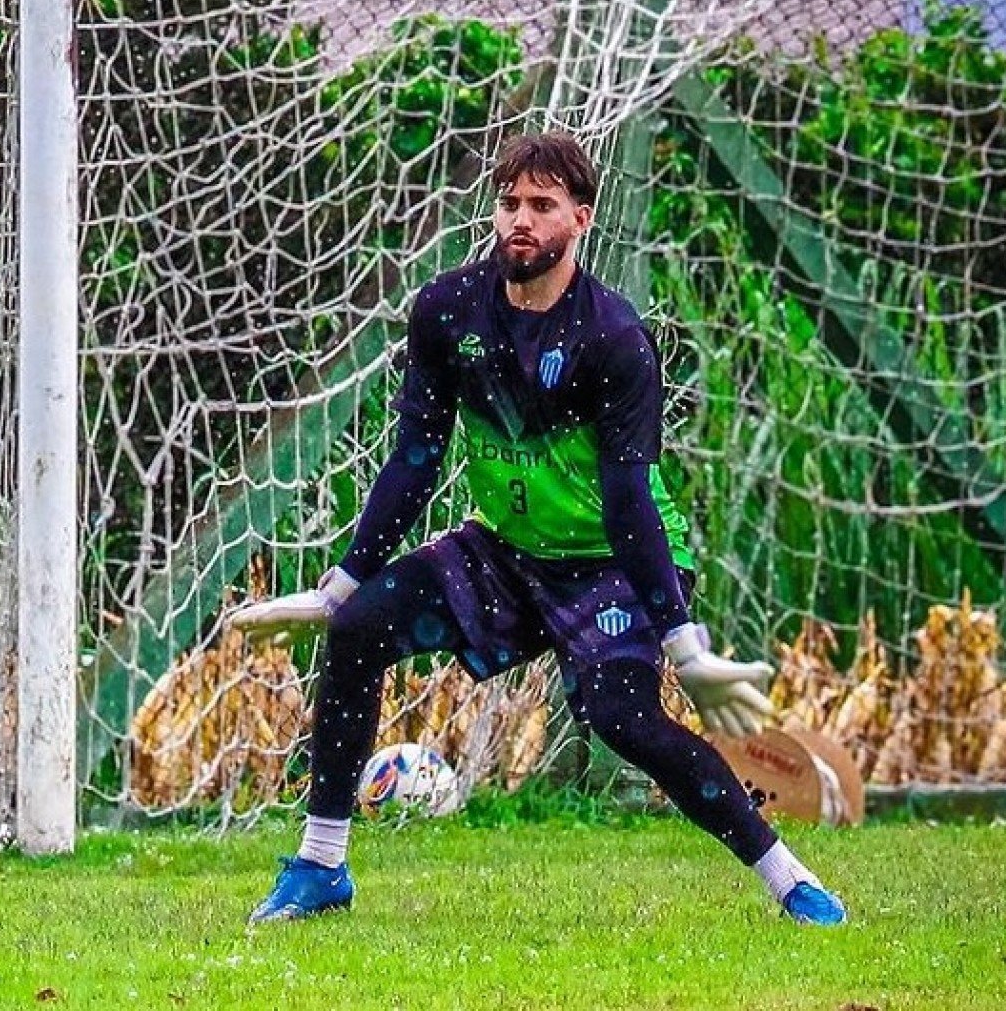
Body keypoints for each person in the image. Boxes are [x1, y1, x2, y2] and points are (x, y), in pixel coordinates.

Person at [228, 130, 845, 927]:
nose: (521, 219)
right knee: (361, 626)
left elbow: (630, 504)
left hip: (611, 562)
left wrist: (684, 645)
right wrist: (339, 586)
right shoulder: (448, 309)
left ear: (581, 220)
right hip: (510, 553)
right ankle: (320, 866)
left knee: (626, 719)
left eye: (543, 205)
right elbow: (416, 457)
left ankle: (788, 878)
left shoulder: (615, 338)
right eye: (510, 202)